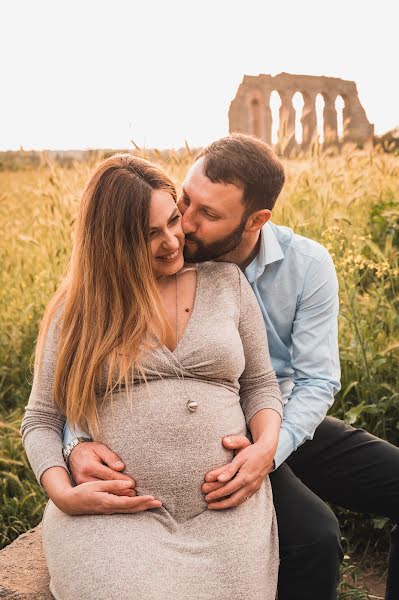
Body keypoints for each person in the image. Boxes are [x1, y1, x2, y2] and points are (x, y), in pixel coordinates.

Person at [65, 134, 399, 600]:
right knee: (316, 536)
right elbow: (82, 367)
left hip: (283, 421)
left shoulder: (306, 266)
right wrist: (74, 441)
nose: (186, 224)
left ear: (256, 220)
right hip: (213, 435)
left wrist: (268, 448)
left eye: (209, 215)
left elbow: (316, 380)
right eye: (187, 200)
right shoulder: (158, 254)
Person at [20, 153, 284, 600]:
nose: (172, 242)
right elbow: (41, 418)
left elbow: (261, 385)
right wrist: (62, 492)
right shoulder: (79, 308)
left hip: (224, 514)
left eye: (173, 221)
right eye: (149, 234)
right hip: (116, 519)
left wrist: (264, 448)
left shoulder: (227, 284)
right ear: (111, 242)